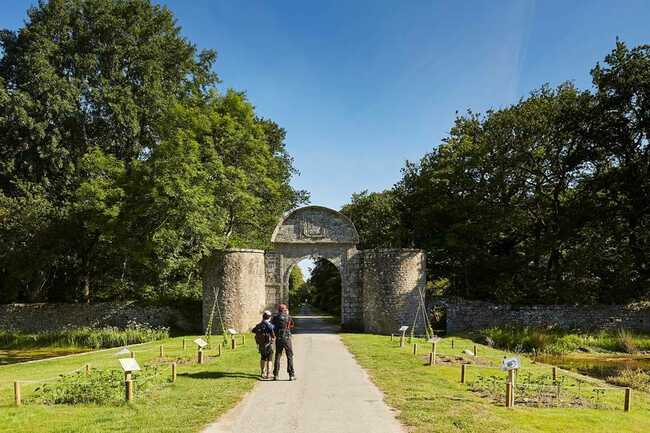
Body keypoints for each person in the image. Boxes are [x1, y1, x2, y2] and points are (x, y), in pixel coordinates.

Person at [271, 303, 295, 381]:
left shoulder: (275, 317)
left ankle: (276, 375)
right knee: (289, 356)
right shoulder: (288, 317)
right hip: (287, 338)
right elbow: (292, 325)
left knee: (278, 356)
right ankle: (291, 375)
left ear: (278, 310)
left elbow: (272, 327)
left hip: (279, 338)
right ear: (285, 309)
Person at [253, 310, 275, 379]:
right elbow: (273, 334)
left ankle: (262, 372)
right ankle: (268, 374)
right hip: (268, 344)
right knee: (269, 359)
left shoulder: (259, 325)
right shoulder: (269, 325)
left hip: (261, 345)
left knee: (263, 358)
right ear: (269, 317)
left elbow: (253, 330)